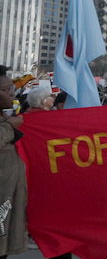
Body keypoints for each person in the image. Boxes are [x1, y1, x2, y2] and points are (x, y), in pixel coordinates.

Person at [0, 66, 26, 258]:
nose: (12, 93)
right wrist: (9, 127)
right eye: (5, 90)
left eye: (12, 88)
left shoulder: (6, 118)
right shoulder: (8, 123)